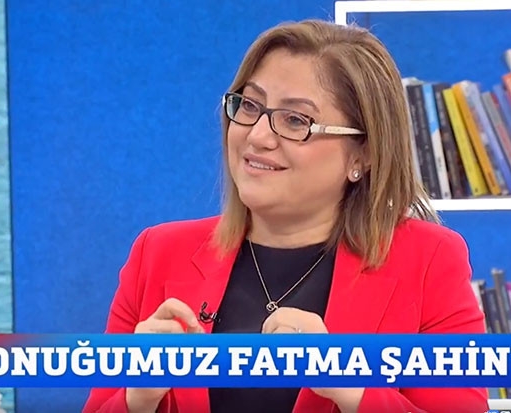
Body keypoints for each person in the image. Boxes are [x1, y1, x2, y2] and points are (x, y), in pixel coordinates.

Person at [82, 19, 488, 413]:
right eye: (249, 106)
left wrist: (350, 385)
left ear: (363, 154)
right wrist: (137, 398)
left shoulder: (428, 260)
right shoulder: (157, 253)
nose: (257, 135)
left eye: (295, 120)